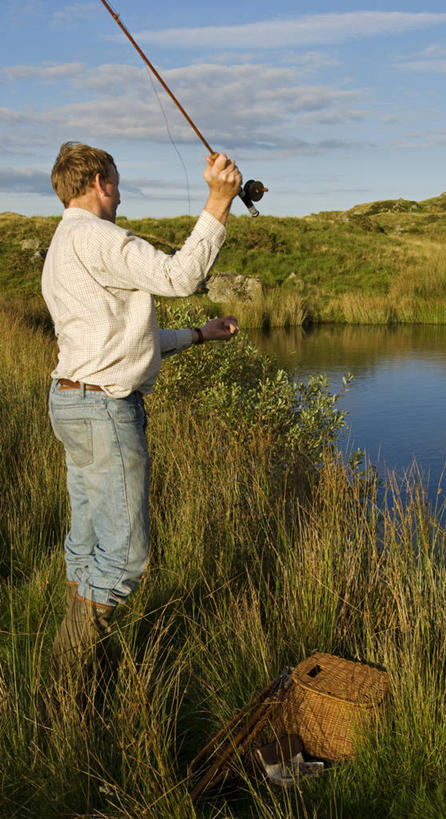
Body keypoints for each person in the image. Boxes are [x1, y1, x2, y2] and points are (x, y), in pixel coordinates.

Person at [42, 141, 241, 680]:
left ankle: (75, 673)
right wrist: (218, 202)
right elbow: (180, 278)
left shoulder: (63, 242)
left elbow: (120, 339)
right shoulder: (100, 236)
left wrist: (198, 335)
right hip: (104, 409)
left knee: (86, 543)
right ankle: (67, 679)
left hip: (71, 401)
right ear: (102, 183)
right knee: (127, 557)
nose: (121, 192)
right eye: (118, 181)